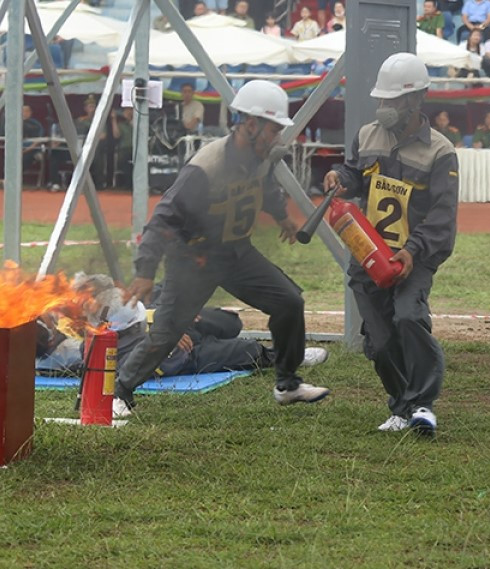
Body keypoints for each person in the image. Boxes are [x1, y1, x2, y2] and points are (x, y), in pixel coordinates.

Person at [119, 80, 326, 418]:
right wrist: (145, 272)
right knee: (167, 333)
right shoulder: (206, 167)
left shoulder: (261, 156)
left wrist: (282, 218)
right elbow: (162, 219)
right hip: (194, 260)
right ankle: (120, 391)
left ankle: (287, 384)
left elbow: (266, 186)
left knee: (289, 301)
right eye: (273, 129)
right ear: (250, 125)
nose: (277, 138)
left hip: (236, 253)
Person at [324, 53, 458, 435]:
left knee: (409, 318)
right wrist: (339, 176)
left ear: (418, 99)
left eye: (393, 101)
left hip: (410, 256)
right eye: (381, 100)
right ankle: (402, 405)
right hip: (367, 254)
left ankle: (424, 404)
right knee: (379, 341)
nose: (384, 108)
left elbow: (442, 215)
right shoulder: (367, 135)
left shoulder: (440, 151)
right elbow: (354, 172)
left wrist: (414, 251)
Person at [38, 273, 329, 378]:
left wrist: (169, 318)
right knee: (246, 351)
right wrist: (162, 336)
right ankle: (290, 356)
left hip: (167, 324)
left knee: (231, 322)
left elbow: (110, 289)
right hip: (177, 353)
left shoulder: (64, 306)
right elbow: (122, 341)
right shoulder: (68, 354)